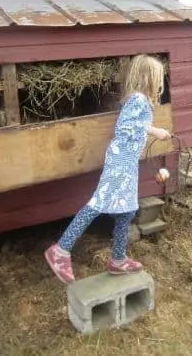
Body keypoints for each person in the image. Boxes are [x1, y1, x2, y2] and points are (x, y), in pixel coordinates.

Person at [44, 54, 172, 284]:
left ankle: (119, 259)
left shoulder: (141, 101)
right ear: (147, 78)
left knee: (127, 210)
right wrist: (155, 131)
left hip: (128, 162)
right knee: (98, 204)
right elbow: (124, 126)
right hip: (120, 161)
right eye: (157, 77)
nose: (159, 82)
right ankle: (60, 250)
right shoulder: (138, 100)